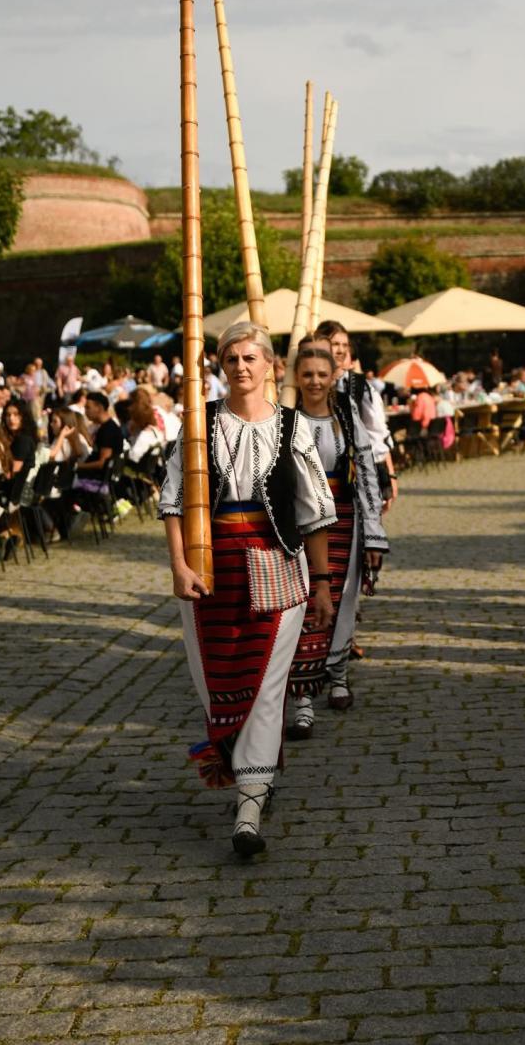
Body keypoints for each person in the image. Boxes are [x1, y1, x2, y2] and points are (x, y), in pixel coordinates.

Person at [160, 321, 337, 857]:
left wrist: (324, 585)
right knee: (217, 679)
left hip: (276, 563)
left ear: (269, 366)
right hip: (209, 568)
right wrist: (177, 566)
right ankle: (247, 769)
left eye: (250, 358)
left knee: (264, 685)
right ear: (221, 366)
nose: (241, 366)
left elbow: (313, 515)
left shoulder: (292, 428)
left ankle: (249, 805)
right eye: (231, 358)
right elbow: (172, 501)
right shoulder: (200, 423)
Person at [287, 339, 389, 737]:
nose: (314, 381)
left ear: (333, 378)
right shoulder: (284, 418)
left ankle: (339, 674)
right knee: (304, 602)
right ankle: (302, 698)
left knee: (343, 599)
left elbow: (364, 473)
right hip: (298, 522)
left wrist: (375, 535)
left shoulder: (345, 416)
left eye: (321, 375)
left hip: (343, 520)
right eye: (307, 374)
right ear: (296, 376)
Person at [315, 320, 398, 512]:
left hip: (355, 477)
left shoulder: (361, 387)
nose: (341, 350)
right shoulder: (305, 384)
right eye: (336, 344)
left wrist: (390, 477)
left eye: (345, 345)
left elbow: (378, 436)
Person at [2, 399, 38, 476]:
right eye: (8, 415)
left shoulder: (23, 440)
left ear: (24, 416)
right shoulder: (15, 437)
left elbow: (13, 472)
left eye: (16, 414)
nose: (11, 418)